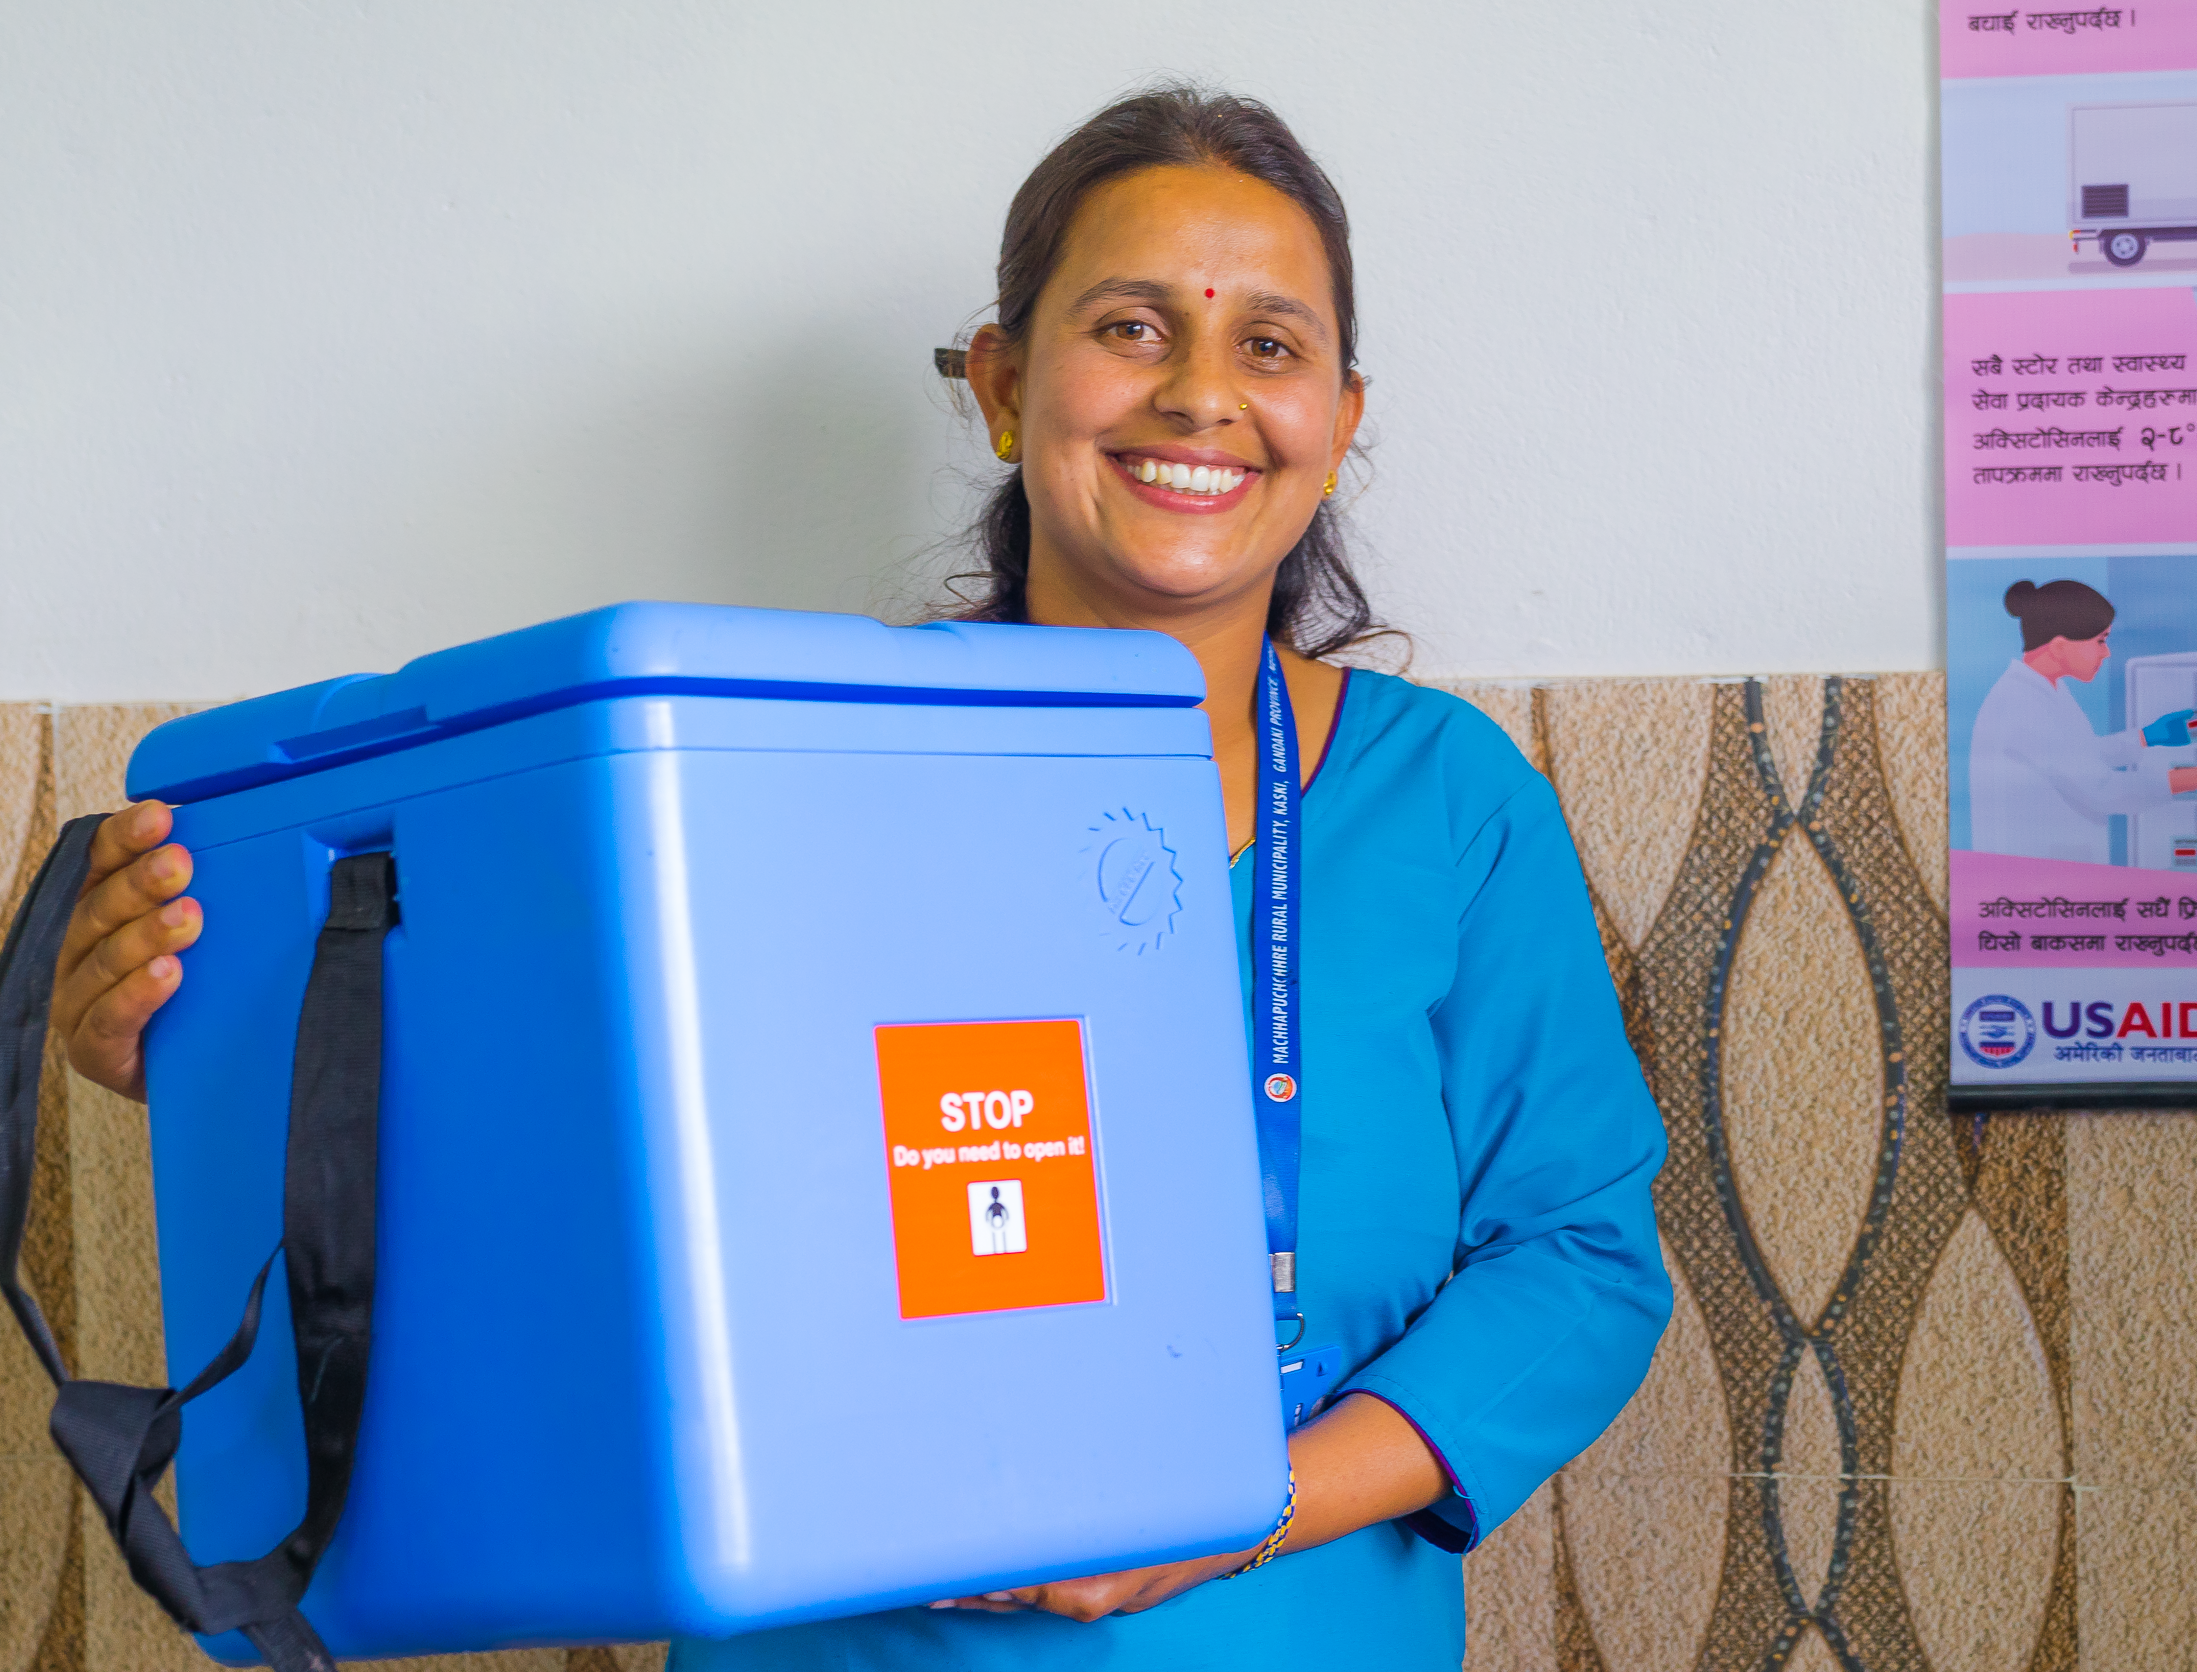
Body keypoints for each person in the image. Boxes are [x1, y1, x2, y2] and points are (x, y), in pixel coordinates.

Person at [45, 85, 1672, 1671]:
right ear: (1001, 380)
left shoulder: (1448, 801)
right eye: (1130, 327)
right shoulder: (764, 769)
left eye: (1270, 342)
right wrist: (198, 1054)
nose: (1200, 393)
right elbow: (558, 1152)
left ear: (1341, 415)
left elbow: (1583, 1258)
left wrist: (1242, 1511)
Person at [1968, 578, 2197, 862]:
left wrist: (2147, 737)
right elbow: (2104, 791)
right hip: (2033, 875)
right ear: (2059, 646)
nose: (2107, 652)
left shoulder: (2044, 687)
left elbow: (2076, 756)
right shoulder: (2021, 705)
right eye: (2100, 641)